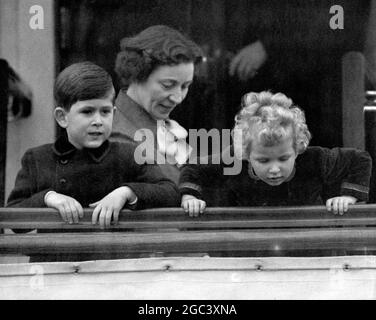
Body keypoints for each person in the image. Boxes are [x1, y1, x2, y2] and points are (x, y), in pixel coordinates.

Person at [6, 61, 180, 229]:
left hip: (112, 256)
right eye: (87, 112)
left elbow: (171, 192)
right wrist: (47, 197)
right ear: (62, 117)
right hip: (57, 255)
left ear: (114, 114)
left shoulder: (128, 154)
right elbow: (14, 217)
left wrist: (127, 192)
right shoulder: (38, 159)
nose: (98, 121)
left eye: (105, 112)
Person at [179, 91, 372, 217]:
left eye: (283, 158)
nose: (274, 169)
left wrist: (348, 197)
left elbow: (360, 160)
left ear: (297, 148)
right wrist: (190, 197)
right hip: (253, 249)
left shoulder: (316, 160)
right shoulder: (233, 162)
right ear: (246, 153)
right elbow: (193, 167)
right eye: (263, 160)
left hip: (309, 246)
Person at [111, 25, 203, 184]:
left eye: (185, 86)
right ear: (136, 74)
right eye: (167, 85)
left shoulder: (161, 126)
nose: (178, 98)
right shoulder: (118, 136)